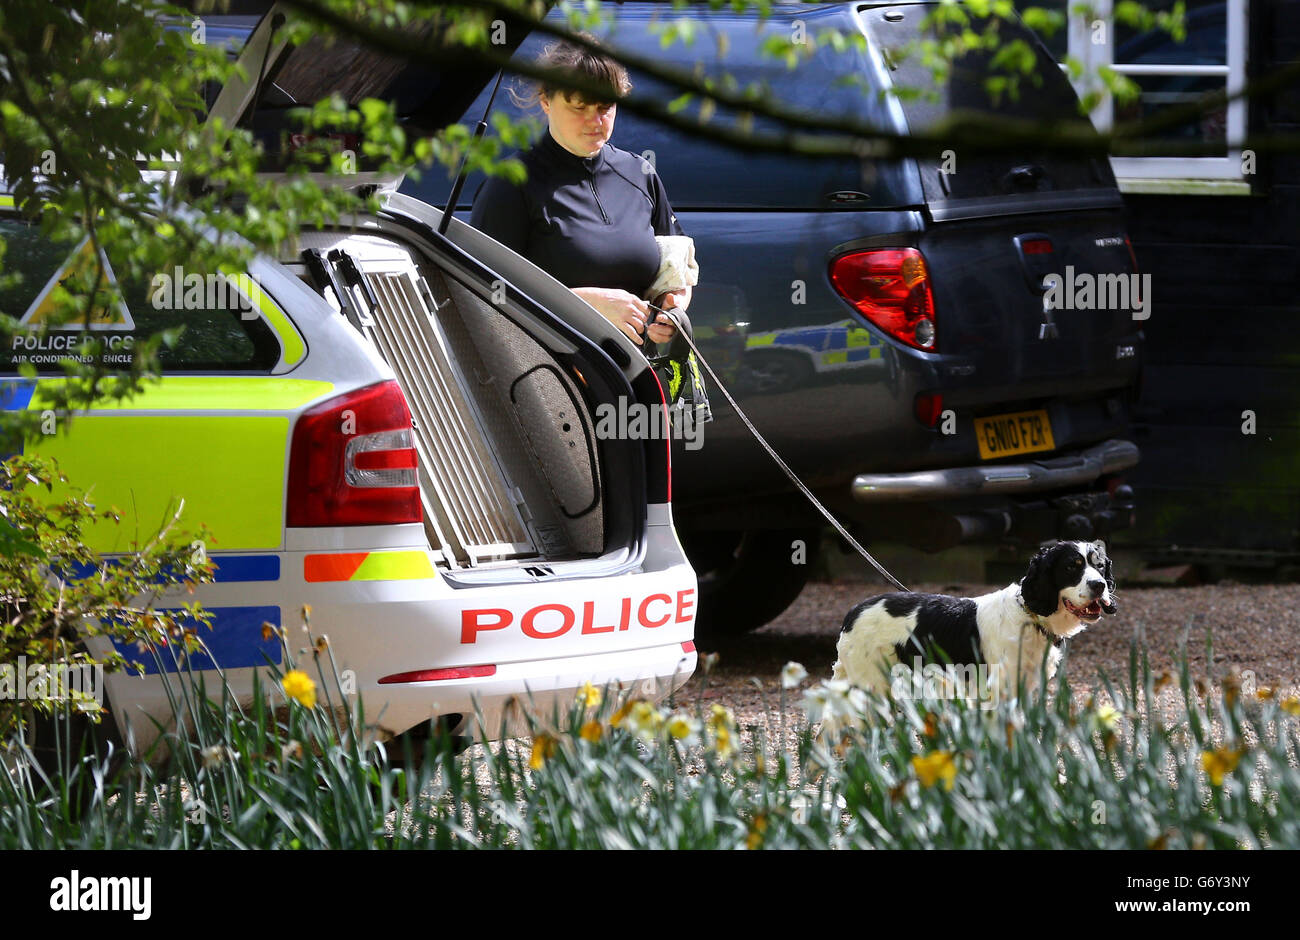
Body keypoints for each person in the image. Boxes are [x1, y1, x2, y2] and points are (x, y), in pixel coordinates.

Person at [469, 35, 692, 352]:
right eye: (580, 107)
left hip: (638, 378)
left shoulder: (640, 173)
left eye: (605, 107)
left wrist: (672, 310)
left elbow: (676, 275)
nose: (595, 121)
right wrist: (588, 305)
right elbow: (484, 295)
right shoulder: (511, 183)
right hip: (551, 380)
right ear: (546, 101)